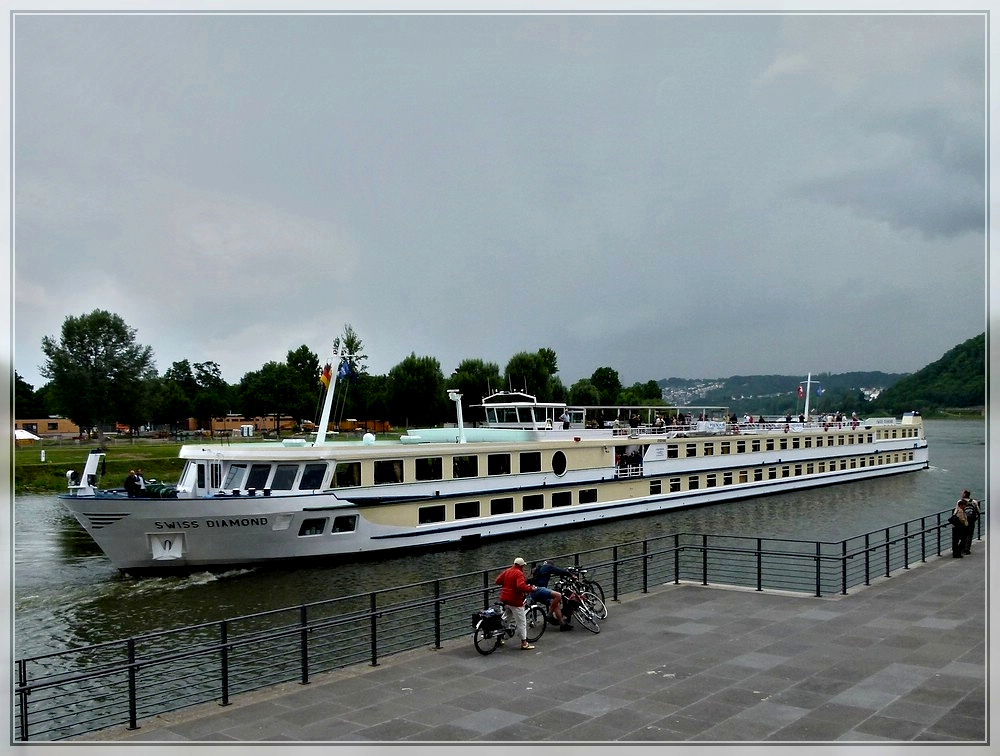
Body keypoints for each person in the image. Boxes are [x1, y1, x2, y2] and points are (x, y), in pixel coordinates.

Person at [494, 557, 536, 650]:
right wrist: (530, 589)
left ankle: (499, 639)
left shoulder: (507, 571)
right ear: (521, 566)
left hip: (505, 599)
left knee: (505, 619)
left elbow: (497, 581)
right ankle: (524, 643)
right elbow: (520, 586)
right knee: (521, 622)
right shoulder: (519, 573)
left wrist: (507, 584)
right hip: (515, 600)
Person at [529, 560, 573, 631]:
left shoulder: (538, 568)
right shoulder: (547, 567)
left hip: (533, 593)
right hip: (539, 590)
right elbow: (559, 571)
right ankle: (549, 615)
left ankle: (562, 625)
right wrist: (570, 575)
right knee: (558, 596)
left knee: (555, 603)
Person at [957, 490, 981, 555]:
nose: (961, 494)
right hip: (971, 520)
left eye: (962, 493)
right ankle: (967, 549)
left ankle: (961, 548)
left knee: (962, 534)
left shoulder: (960, 502)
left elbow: (957, 511)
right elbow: (978, 511)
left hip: (963, 520)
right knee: (969, 534)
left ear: (964, 494)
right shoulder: (974, 502)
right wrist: (975, 519)